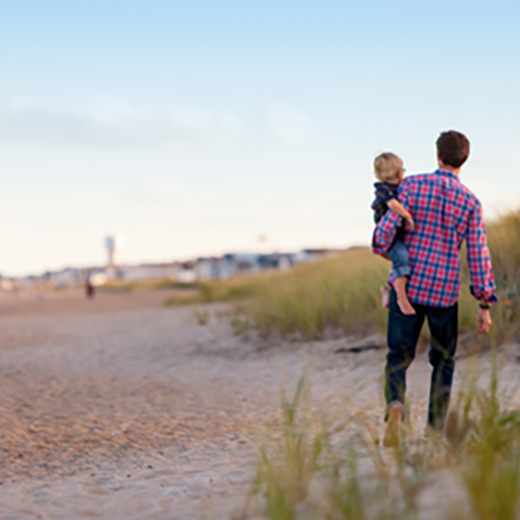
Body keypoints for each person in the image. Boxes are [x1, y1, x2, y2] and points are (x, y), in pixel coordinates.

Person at [372, 130, 497, 447]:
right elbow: (479, 255)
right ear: (463, 160)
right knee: (443, 361)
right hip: (444, 293)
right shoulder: (471, 201)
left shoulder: (411, 185)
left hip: (409, 288)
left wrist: (384, 245)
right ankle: (436, 430)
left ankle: (395, 406)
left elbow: (385, 233)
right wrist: (484, 305)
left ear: (437, 155)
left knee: (397, 357)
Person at [371, 152, 416, 315]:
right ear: (398, 173)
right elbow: (392, 204)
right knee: (402, 259)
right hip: (386, 238)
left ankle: (388, 289)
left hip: (394, 236)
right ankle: (401, 299)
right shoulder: (384, 190)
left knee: (399, 261)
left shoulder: (394, 188)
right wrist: (407, 216)